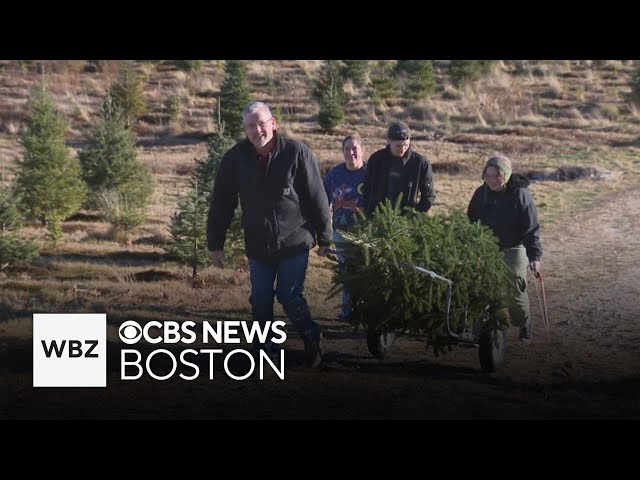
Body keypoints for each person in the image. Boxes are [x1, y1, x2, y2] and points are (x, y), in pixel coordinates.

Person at [207, 101, 331, 367]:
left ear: (273, 123)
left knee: (289, 295)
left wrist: (325, 235)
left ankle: (312, 335)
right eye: (250, 126)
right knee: (261, 299)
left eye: (261, 123)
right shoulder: (235, 158)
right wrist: (215, 242)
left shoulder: (297, 153)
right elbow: (222, 202)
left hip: (294, 240)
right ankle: (266, 353)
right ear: (245, 128)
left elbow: (316, 196)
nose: (257, 130)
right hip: (258, 244)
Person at [467, 155, 543, 342]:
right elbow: (471, 221)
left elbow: (531, 227)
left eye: (496, 176)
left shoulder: (520, 195)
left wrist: (534, 256)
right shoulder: (480, 194)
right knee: (480, 288)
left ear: (506, 176)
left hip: (514, 247)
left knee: (514, 289)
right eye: (488, 175)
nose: (491, 180)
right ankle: (480, 330)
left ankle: (524, 324)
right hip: (487, 248)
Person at [323, 133, 367, 322]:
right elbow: (323, 203)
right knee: (347, 270)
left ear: (362, 150)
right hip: (341, 231)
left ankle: (365, 309)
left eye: (355, 148)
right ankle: (347, 311)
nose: (351, 153)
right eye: (347, 149)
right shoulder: (334, 175)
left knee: (365, 270)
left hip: (367, 232)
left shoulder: (371, 173)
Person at [362, 121, 435, 216]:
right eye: (398, 146)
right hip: (377, 219)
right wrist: (369, 213)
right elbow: (367, 189)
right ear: (388, 140)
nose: (402, 149)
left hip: (406, 223)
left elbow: (429, 195)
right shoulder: (376, 160)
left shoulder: (421, 163)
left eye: (406, 145)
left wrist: (415, 216)